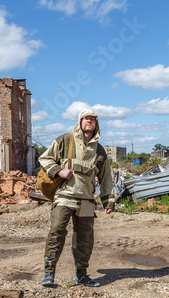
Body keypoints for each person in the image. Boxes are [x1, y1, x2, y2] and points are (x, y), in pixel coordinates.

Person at [38, 109, 115, 287]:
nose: (89, 121)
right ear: (80, 122)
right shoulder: (65, 140)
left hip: (87, 200)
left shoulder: (100, 151)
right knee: (56, 231)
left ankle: (82, 275)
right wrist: (59, 171)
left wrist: (108, 201)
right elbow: (45, 158)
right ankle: (49, 272)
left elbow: (106, 179)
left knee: (85, 238)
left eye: (93, 119)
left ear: (96, 124)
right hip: (64, 196)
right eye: (86, 118)